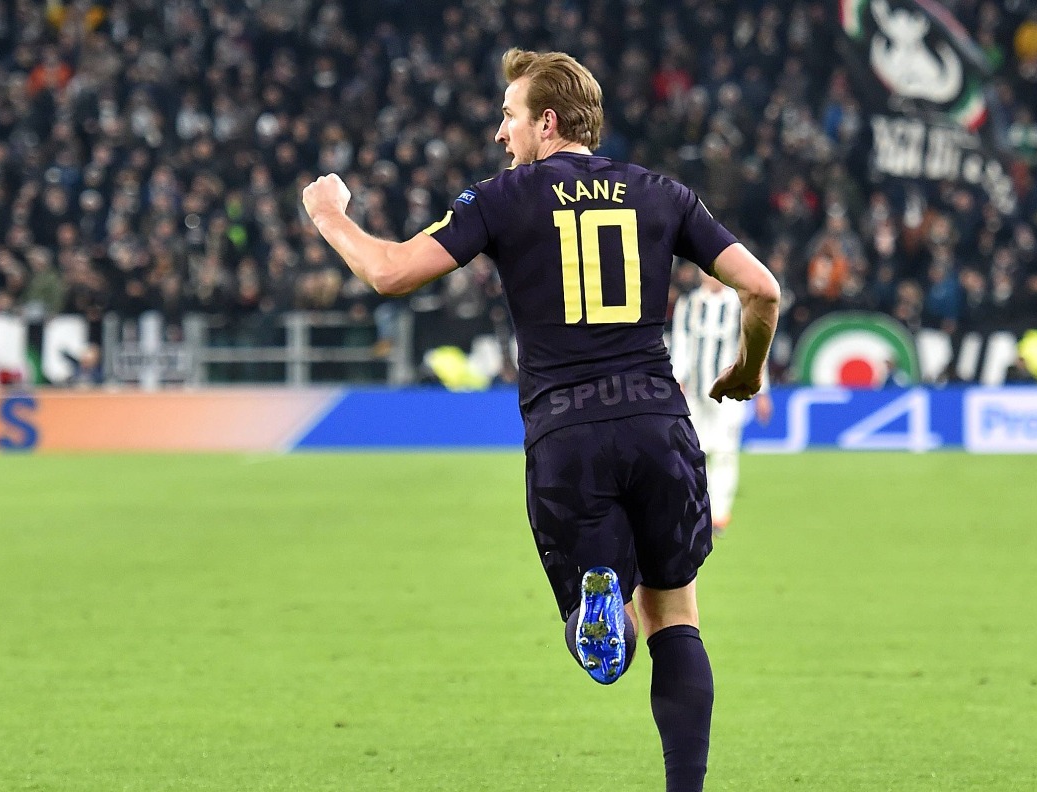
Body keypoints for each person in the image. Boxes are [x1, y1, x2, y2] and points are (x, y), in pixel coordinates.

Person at [302, 48, 779, 792]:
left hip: (566, 432)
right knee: (677, 617)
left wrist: (329, 215)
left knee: (602, 630)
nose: (501, 133)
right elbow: (763, 289)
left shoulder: (502, 198)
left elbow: (389, 271)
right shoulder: (663, 194)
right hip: (657, 420)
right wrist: (748, 370)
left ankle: (601, 599)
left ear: (546, 122)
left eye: (509, 115)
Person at [670, 268, 773, 536]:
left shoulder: (738, 306)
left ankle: (719, 515)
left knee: (725, 453)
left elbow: (754, 348)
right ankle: (697, 510)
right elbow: (680, 344)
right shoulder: (689, 304)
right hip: (694, 393)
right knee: (694, 452)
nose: (711, 277)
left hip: (729, 394)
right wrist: (677, 380)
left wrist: (762, 391)